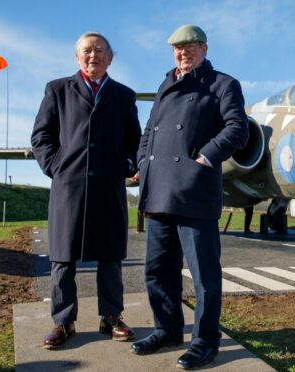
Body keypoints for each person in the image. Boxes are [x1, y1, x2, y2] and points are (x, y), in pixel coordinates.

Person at [132, 24, 248, 369]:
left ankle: (205, 340)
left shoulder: (223, 84)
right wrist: (142, 162)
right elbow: (149, 133)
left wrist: (204, 158)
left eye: (190, 47)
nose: (183, 53)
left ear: (204, 49)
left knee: (204, 276)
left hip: (194, 190)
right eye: (177, 48)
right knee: (157, 270)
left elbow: (237, 128)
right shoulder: (165, 84)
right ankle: (167, 330)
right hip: (158, 191)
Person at [31, 32, 141, 349]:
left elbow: (134, 140)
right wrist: (56, 167)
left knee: (110, 256)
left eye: (100, 50)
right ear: (77, 57)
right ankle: (63, 322)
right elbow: (41, 137)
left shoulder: (124, 95)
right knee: (63, 258)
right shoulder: (57, 89)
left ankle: (111, 318)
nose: (93, 56)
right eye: (87, 51)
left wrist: (129, 164)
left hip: (108, 187)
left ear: (110, 57)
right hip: (69, 186)